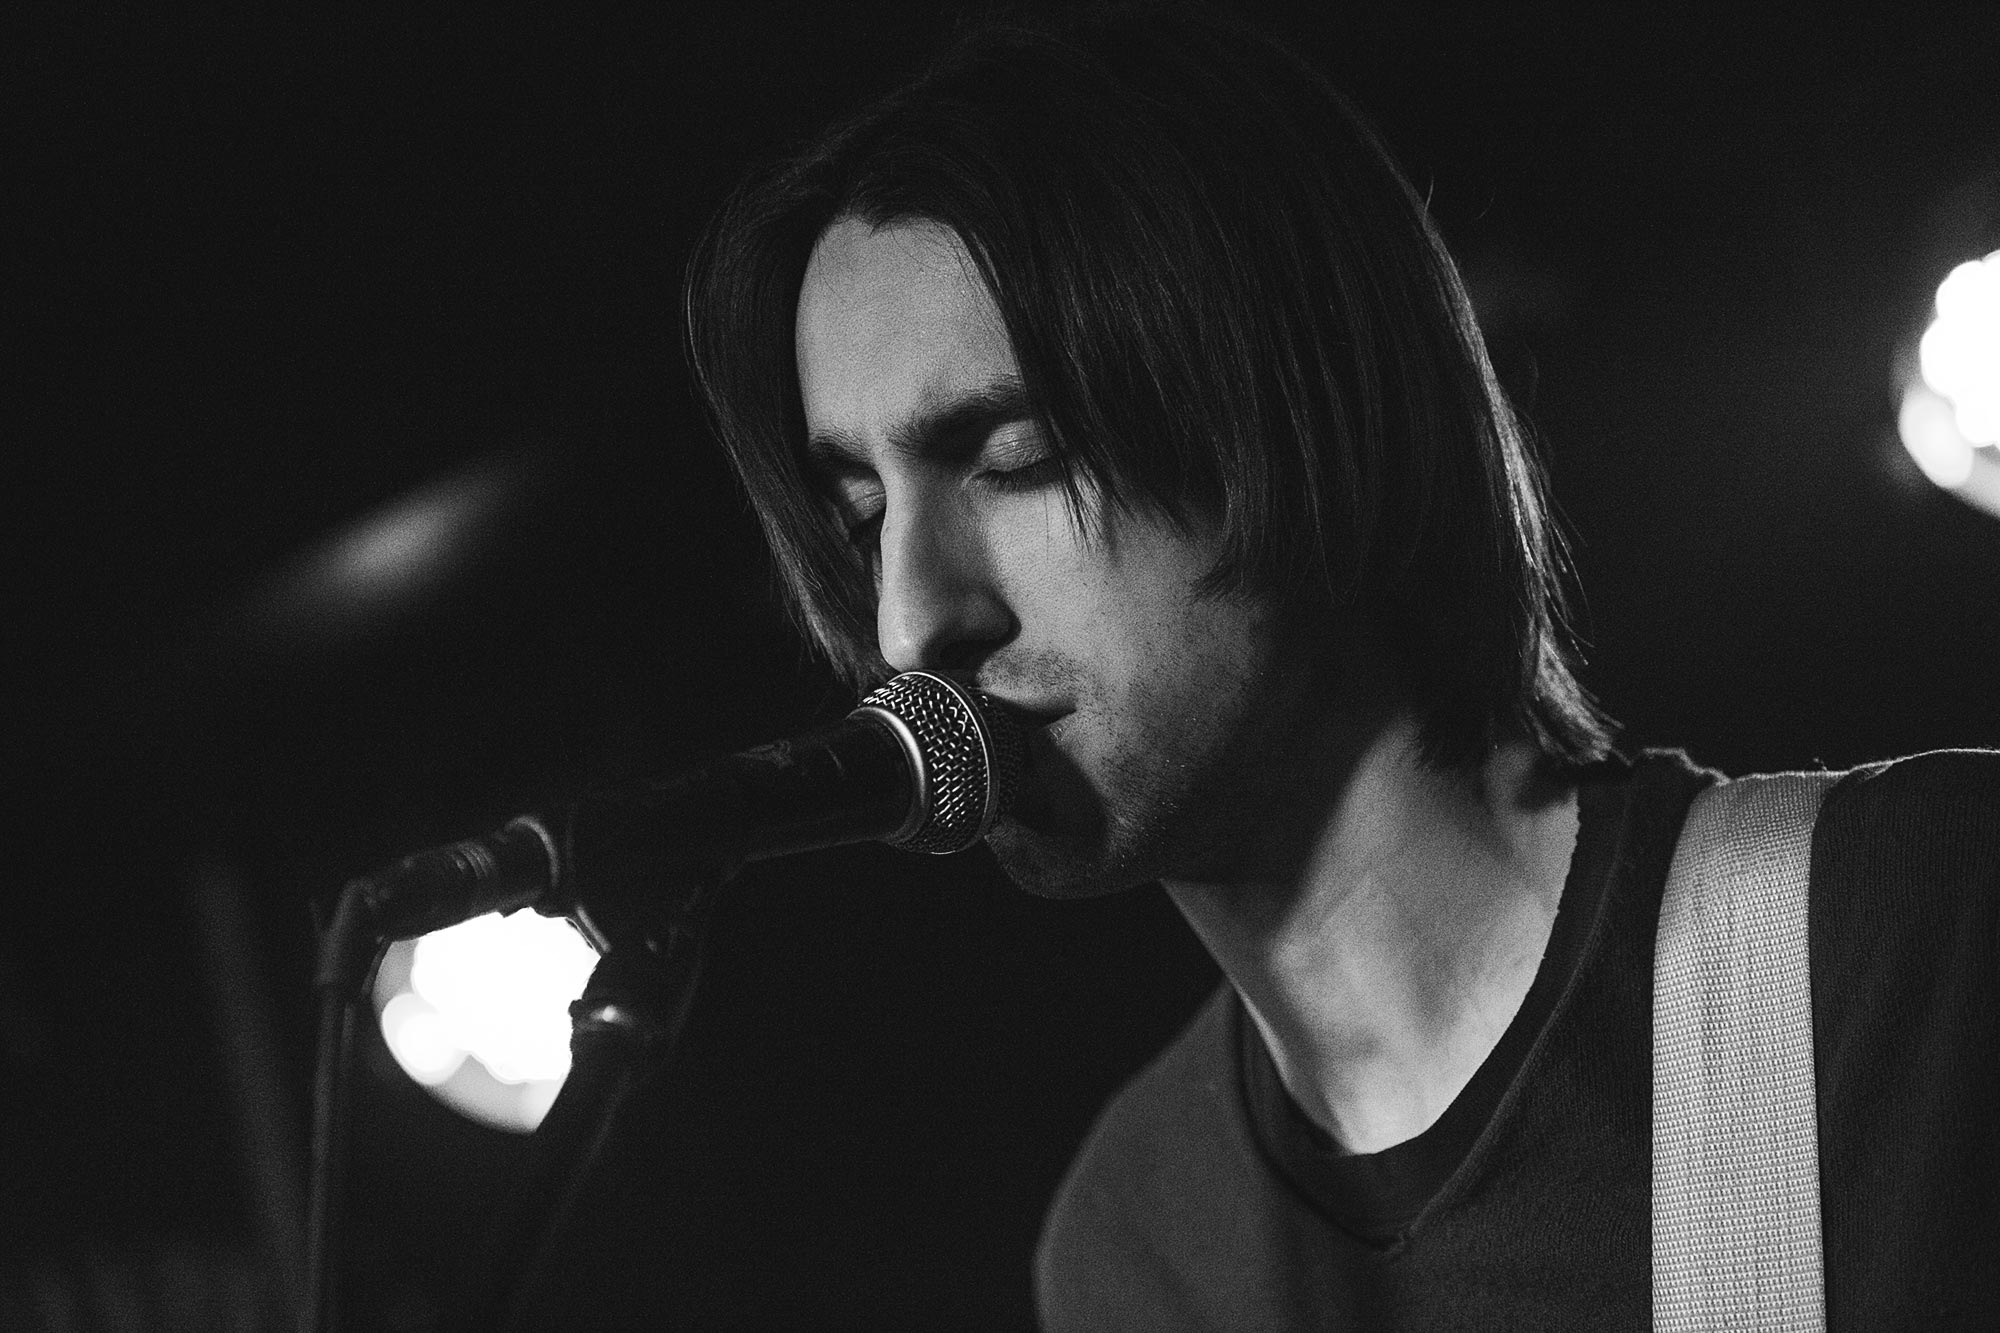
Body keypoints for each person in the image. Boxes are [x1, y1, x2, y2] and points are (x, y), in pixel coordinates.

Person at [684, 6, 2000, 1327]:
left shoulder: (1927, 935)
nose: (911, 623)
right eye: (862, 518)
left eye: (1016, 457)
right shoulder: (1133, 1244)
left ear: (1286, 393)